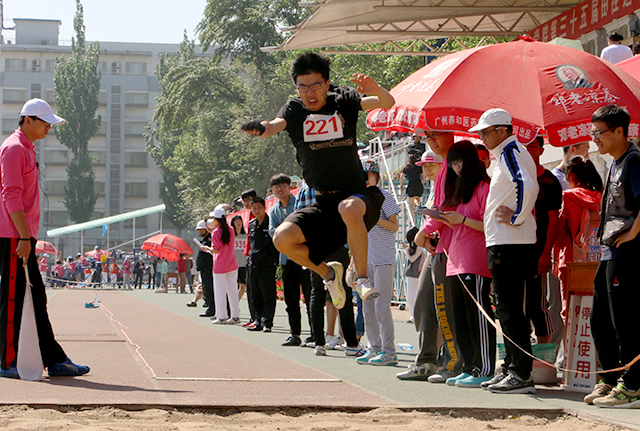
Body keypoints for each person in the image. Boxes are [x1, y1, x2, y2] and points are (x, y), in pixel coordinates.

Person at [241, 52, 394, 313]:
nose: (309, 93)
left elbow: (387, 102)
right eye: (303, 87)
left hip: (358, 196)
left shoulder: (342, 100)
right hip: (324, 203)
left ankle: (361, 278)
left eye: (315, 86)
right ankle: (329, 274)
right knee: (281, 238)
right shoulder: (294, 110)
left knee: (348, 207)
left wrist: (376, 89)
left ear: (327, 83)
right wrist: (261, 128)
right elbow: (273, 126)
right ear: (296, 87)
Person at [0, 98, 89, 378]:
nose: (49, 127)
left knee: (36, 297)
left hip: (21, 236)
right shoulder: (14, 148)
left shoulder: (26, 148)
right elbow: (10, 195)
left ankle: (53, 358)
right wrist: (23, 238)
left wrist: (27, 237)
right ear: (28, 120)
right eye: (46, 122)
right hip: (13, 237)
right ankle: (7, 361)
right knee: (13, 300)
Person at [468, 108, 538, 394]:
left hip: (511, 242)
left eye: (485, 132)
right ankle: (512, 367)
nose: (482, 138)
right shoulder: (504, 155)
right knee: (506, 309)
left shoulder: (510, 151)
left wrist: (517, 217)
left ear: (502, 130)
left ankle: (521, 373)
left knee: (510, 310)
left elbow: (527, 185)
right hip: (504, 241)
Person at [583, 105, 640, 408]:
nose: (595, 138)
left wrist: (632, 233)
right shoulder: (615, 162)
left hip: (627, 253)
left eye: (599, 132)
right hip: (609, 251)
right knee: (600, 320)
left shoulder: (633, 161)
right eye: (592, 132)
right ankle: (610, 378)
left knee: (625, 320)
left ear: (619, 131)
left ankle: (633, 385)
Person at [428, 141, 496, 388]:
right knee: (461, 318)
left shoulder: (484, 188)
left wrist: (462, 220)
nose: (456, 168)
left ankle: (484, 368)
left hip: (475, 260)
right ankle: (469, 366)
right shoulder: (461, 189)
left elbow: (490, 226)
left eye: (460, 162)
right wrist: (447, 219)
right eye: (453, 163)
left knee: (477, 316)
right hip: (456, 259)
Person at [397, 131, 461, 383]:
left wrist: (423, 232)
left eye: (430, 165)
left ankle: (452, 362)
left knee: (444, 309)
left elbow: (446, 211)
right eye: (424, 166)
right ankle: (427, 361)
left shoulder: (451, 173)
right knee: (424, 305)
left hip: (449, 251)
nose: (426, 170)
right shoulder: (437, 181)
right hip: (436, 249)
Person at [295, 181, 363, 356]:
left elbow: (298, 218)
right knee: (344, 291)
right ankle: (351, 344)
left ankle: (319, 342)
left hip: (315, 245)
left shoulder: (304, 190)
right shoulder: (337, 183)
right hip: (336, 243)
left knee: (317, 292)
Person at [356, 160, 401, 366]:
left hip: (384, 259)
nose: (365, 180)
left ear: (376, 176)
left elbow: (394, 226)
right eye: (362, 176)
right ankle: (373, 347)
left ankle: (389, 351)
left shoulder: (385, 196)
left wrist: (375, 218)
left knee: (381, 307)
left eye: (368, 175)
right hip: (366, 259)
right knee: (367, 308)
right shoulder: (358, 200)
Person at [555, 156, 603, 322]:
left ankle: (573, 339)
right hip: (597, 260)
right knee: (596, 309)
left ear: (571, 176)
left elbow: (559, 233)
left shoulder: (568, 197)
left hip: (571, 260)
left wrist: (554, 258)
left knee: (570, 310)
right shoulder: (601, 197)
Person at [267, 173, 312, 346]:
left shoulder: (299, 203)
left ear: (289, 186)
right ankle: (295, 334)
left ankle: (315, 334)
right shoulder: (274, 210)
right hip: (286, 259)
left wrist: (284, 231)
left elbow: (302, 225)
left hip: (304, 256)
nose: (279, 189)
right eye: (276, 187)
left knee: (310, 296)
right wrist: (288, 231)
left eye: (283, 185)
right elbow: (272, 232)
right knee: (290, 299)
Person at [524, 136, 559, 344]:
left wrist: (547, 253)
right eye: (524, 146)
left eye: (532, 147)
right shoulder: (515, 178)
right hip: (516, 248)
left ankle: (545, 353)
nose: (528, 151)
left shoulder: (550, 181)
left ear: (540, 150)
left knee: (537, 303)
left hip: (538, 250)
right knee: (517, 305)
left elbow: (554, 220)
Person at [244, 197, 279, 332]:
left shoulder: (271, 223)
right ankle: (257, 321)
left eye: (259, 208)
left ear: (265, 208)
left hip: (267, 264)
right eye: (254, 208)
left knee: (268, 294)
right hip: (253, 264)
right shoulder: (252, 224)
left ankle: (267, 322)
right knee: (255, 294)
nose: (257, 210)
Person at [203, 205, 240, 324]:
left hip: (220, 265)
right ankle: (235, 316)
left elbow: (216, 249)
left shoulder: (216, 232)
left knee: (220, 292)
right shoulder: (231, 229)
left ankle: (222, 316)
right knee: (233, 291)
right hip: (232, 263)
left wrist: (206, 248)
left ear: (215, 219)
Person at [402, 227, 424, 324]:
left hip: (415, 275)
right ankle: (413, 316)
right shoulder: (415, 248)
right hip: (412, 275)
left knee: (413, 296)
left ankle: (415, 317)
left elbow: (412, 259)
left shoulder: (419, 248)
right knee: (411, 297)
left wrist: (406, 250)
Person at [195, 219, 215, 317]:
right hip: (204, 269)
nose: (199, 232)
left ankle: (212, 309)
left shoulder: (210, 239)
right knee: (206, 288)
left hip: (209, 268)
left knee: (209, 289)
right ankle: (210, 307)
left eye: (201, 229)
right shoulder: (204, 240)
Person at [231, 215, 248, 305]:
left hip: (243, 264)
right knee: (233, 287)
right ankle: (231, 306)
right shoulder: (230, 236)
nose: (238, 223)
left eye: (240, 221)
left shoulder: (246, 235)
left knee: (243, 287)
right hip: (232, 265)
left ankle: (234, 304)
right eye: (236, 221)